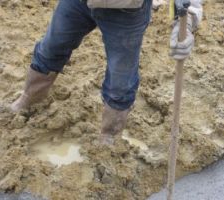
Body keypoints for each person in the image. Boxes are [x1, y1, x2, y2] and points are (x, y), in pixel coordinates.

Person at [10, 0, 203, 144]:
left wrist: (188, 18)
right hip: (77, 3)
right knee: (51, 49)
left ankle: (108, 135)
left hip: (127, 10)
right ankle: (28, 99)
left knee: (120, 81)